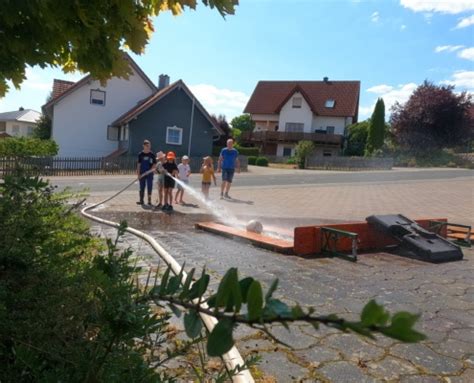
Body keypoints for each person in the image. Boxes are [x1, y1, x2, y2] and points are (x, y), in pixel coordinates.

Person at [136, 140, 156, 205]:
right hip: (142, 173)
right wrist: (138, 174)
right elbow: (138, 165)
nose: (148, 147)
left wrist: (150, 170)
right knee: (142, 187)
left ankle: (149, 201)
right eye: (147, 146)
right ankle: (141, 200)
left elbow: (154, 164)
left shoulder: (152, 154)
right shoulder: (140, 154)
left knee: (149, 186)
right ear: (143, 146)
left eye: (149, 146)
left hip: (150, 174)